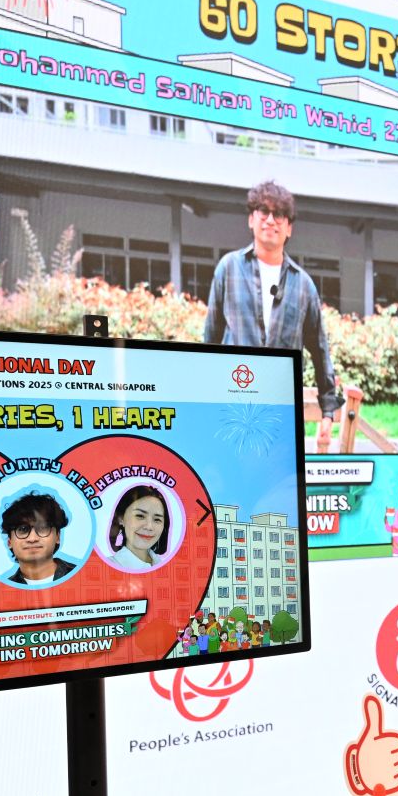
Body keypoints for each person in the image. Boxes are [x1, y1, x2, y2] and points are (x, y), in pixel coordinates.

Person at [203, 180, 341, 449]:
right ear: (251, 219)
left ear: (288, 228)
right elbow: (210, 340)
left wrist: (328, 411)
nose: (270, 220)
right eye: (263, 211)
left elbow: (319, 350)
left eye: (279, 214)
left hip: (282, 411)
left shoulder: (303, 285)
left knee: (281, 475)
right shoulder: (228, 269)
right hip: (232, 405)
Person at [2, 491, 76, 584]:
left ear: (57, 536)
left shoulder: (82, 574)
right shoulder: (1, 588)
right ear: (9, 542)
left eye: (42, 528)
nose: (32, 539)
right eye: (23, 529)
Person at [108, 486, 169, 569]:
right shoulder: (108, 566)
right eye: (140, 516)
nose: (149, 527)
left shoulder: (165, 566)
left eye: (157, 519)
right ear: (121, 518)